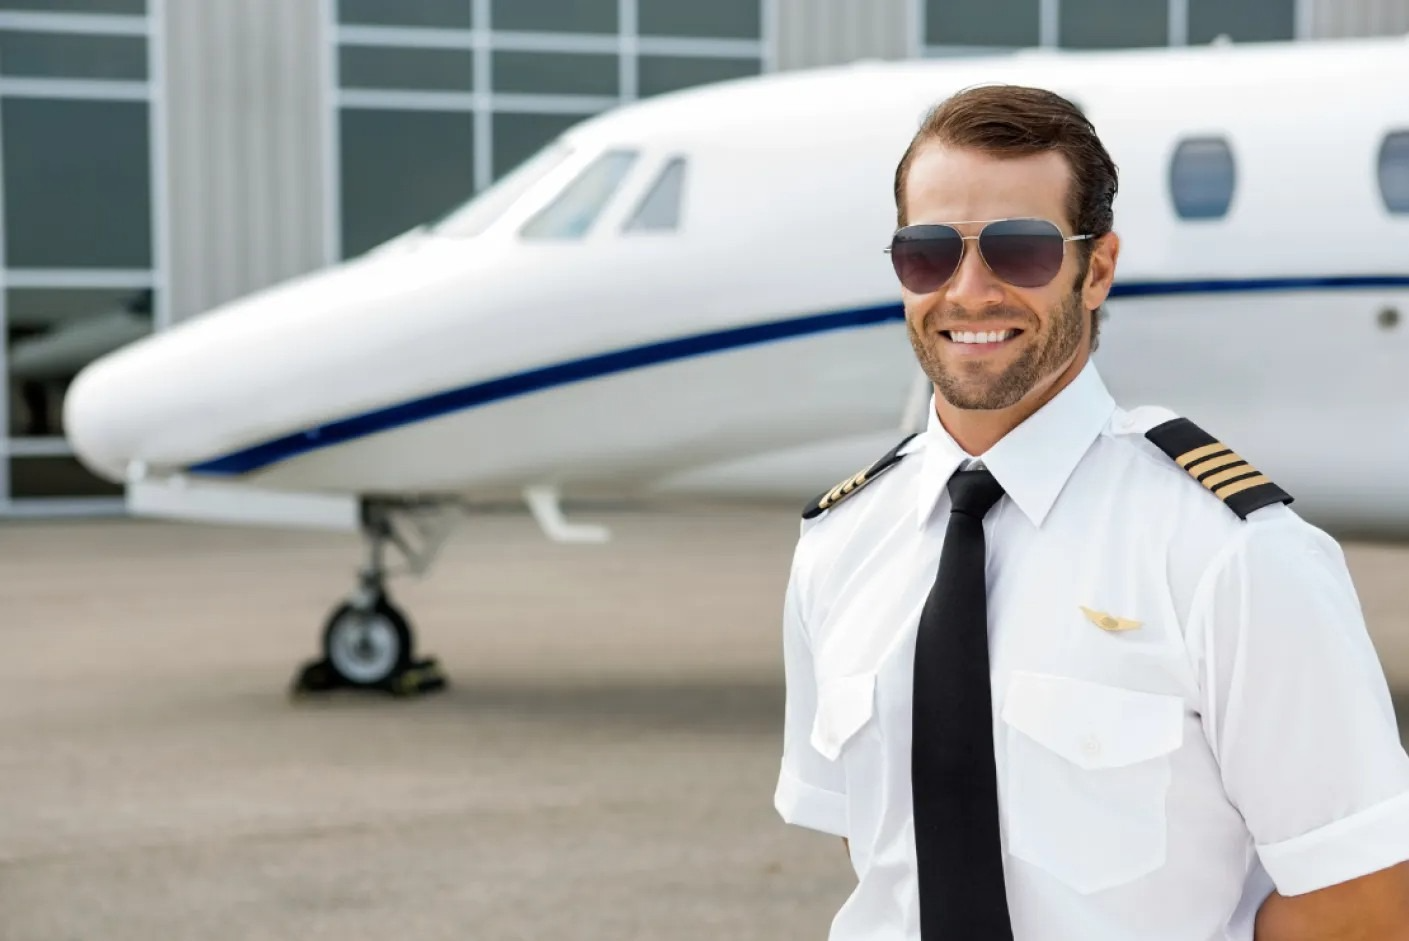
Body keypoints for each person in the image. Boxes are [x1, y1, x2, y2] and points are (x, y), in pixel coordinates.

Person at [773, 84, 1409, 941]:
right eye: (927, 252)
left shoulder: (1230, 555)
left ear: (1096, 268)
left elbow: (1363, 901)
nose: (967, 290)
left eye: (1020, 250)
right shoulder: (839, 543)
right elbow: (883, 853)